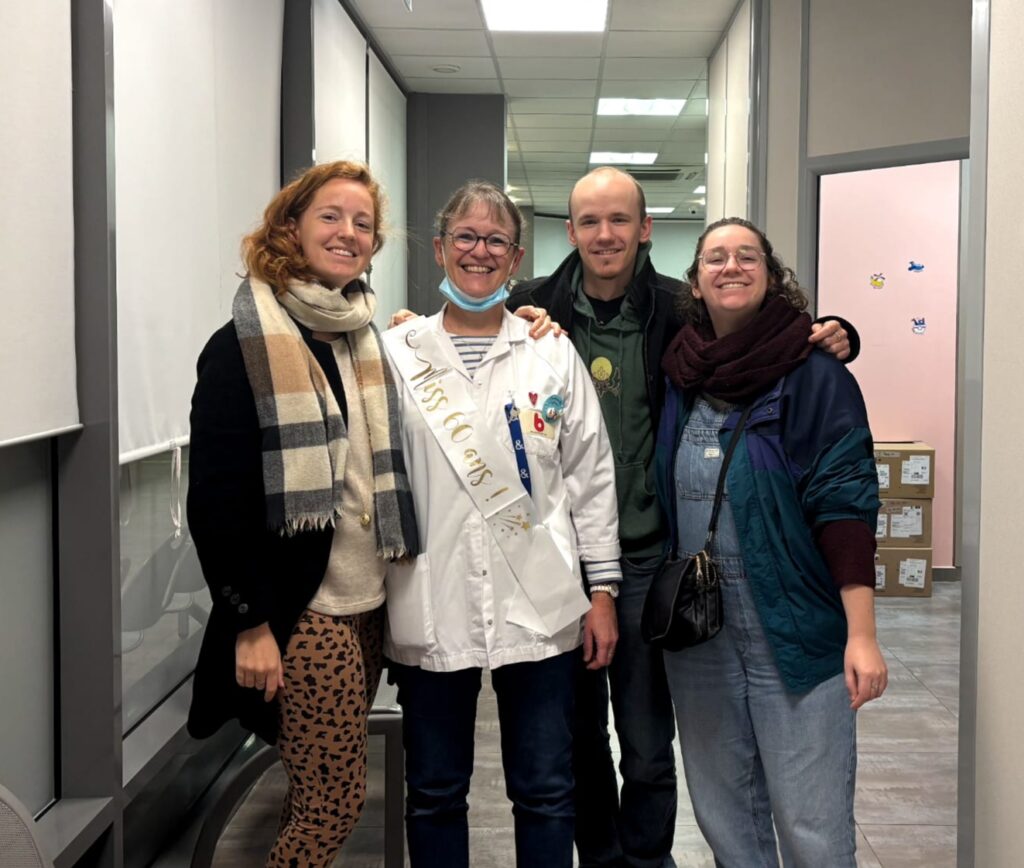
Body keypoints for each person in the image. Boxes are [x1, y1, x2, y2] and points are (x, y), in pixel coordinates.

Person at [507, 166, 856, 868]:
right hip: (552, 566)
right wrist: (408, 326)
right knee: (576, 741)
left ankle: (647, 861)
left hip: (648, 560)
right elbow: (457, 345)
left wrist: (838, 332)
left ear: (645, 229)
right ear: (570, 231)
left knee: (646, 744)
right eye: (589, 221)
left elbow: (760, 340)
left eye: (619, 219)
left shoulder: (679, 308)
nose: (605, 234)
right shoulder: (528, 307)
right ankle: (601, 858)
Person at [185, 160, 419, 867]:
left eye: (363, 223)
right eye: (330, 216)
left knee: (311, 792)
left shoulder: (364, 337)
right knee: (334, 804)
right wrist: (249, 622)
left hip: (366, 599)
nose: (348, 232)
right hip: (299, 610)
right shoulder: (242, 347)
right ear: (290, 228)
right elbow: (216, 500)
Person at [381, 180, 622, 868]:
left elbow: (591, 478)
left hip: (540, 603)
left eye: (495, 240)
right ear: (440, 249)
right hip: (431, 599)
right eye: (465, 236)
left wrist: (602, 592)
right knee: (434, 791)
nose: (479, 251)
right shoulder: (397, 354)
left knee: (546, 790)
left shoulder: (552, 353)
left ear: (516, 258)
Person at [655, 217, 886, 866]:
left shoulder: (816, 374)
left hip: (795, 625)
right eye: (715, 257)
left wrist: (862, 634)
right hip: (699, 630)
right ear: (694, 282)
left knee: (811, 823)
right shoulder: (679, 372)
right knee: (725, 814)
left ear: (770, 275)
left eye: (747, 256)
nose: (731, 266)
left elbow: (846, 506)